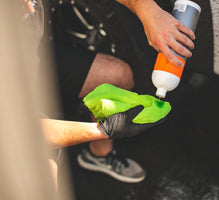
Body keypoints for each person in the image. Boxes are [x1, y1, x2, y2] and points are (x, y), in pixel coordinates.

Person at [23, 0, 196, 185]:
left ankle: (98, 156)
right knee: (45, 177)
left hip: (30, 61)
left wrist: (147, 10)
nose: (29, 6)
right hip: (11, 92)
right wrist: (102, 130)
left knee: (116, 74)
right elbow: (22, 130)